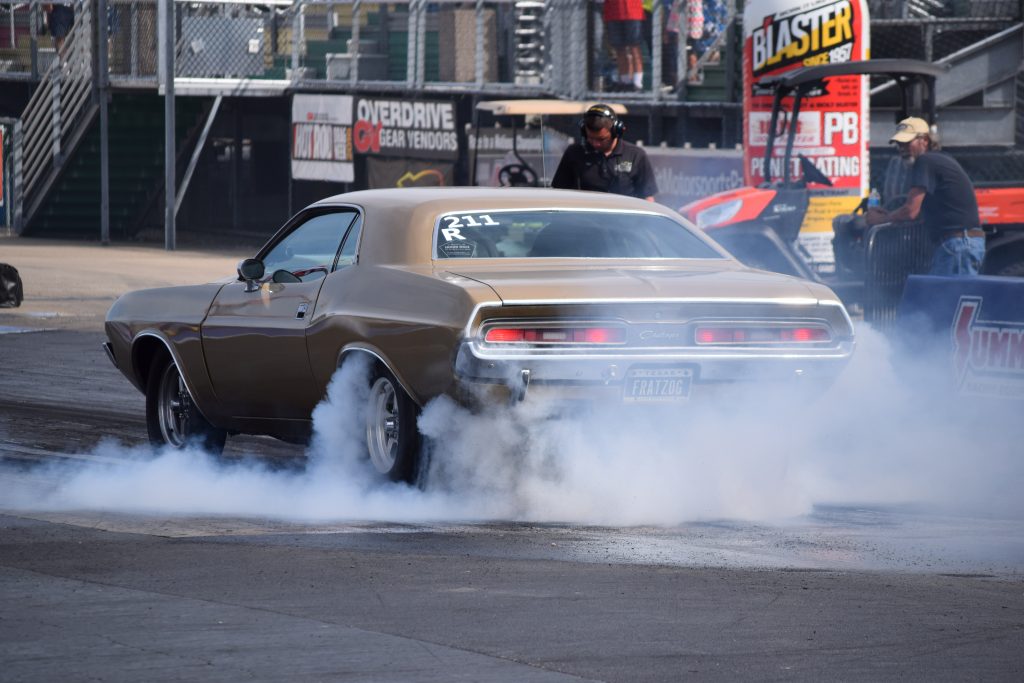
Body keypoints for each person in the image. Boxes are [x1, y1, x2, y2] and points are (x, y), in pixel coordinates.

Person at [866, 117, 984, 276]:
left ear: (925, 141)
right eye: (899, 144)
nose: (902, 148)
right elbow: (918, 213)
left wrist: (880, 220)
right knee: (944, 297)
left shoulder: (925, 161)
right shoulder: (939, 159)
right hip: (960, 243)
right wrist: (889, 215)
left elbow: (911, 211)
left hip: (957, 244)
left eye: (907, 143)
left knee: (947, 298)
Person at [551, 103, 659, 201]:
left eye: (601, 139)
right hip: (582, 221)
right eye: (590, 138)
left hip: (625, 221)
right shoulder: (573, 153)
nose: (595, 143)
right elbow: (559, 194)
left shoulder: (636, 155)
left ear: (616, 131)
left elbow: (647, 197)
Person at [603, 0, 645, 92]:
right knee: (619, 49)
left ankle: (637, 83)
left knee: (634, 47)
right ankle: (625, 82)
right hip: (613, 11)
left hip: (632, 10)